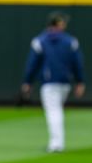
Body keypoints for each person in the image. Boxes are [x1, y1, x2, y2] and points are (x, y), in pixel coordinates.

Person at [21, 11, 85, 153]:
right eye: (63, 22)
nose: (65, 24)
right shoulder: (70, 41)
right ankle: (58, 142)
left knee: (53, 112)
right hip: (65, 83)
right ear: (58, 24)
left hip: (49, 83)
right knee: (57, 111)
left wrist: (27, 82)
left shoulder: (40, 41)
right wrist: (79, 81)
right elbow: (77, 63)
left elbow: (32, 64)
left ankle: (56, 144)